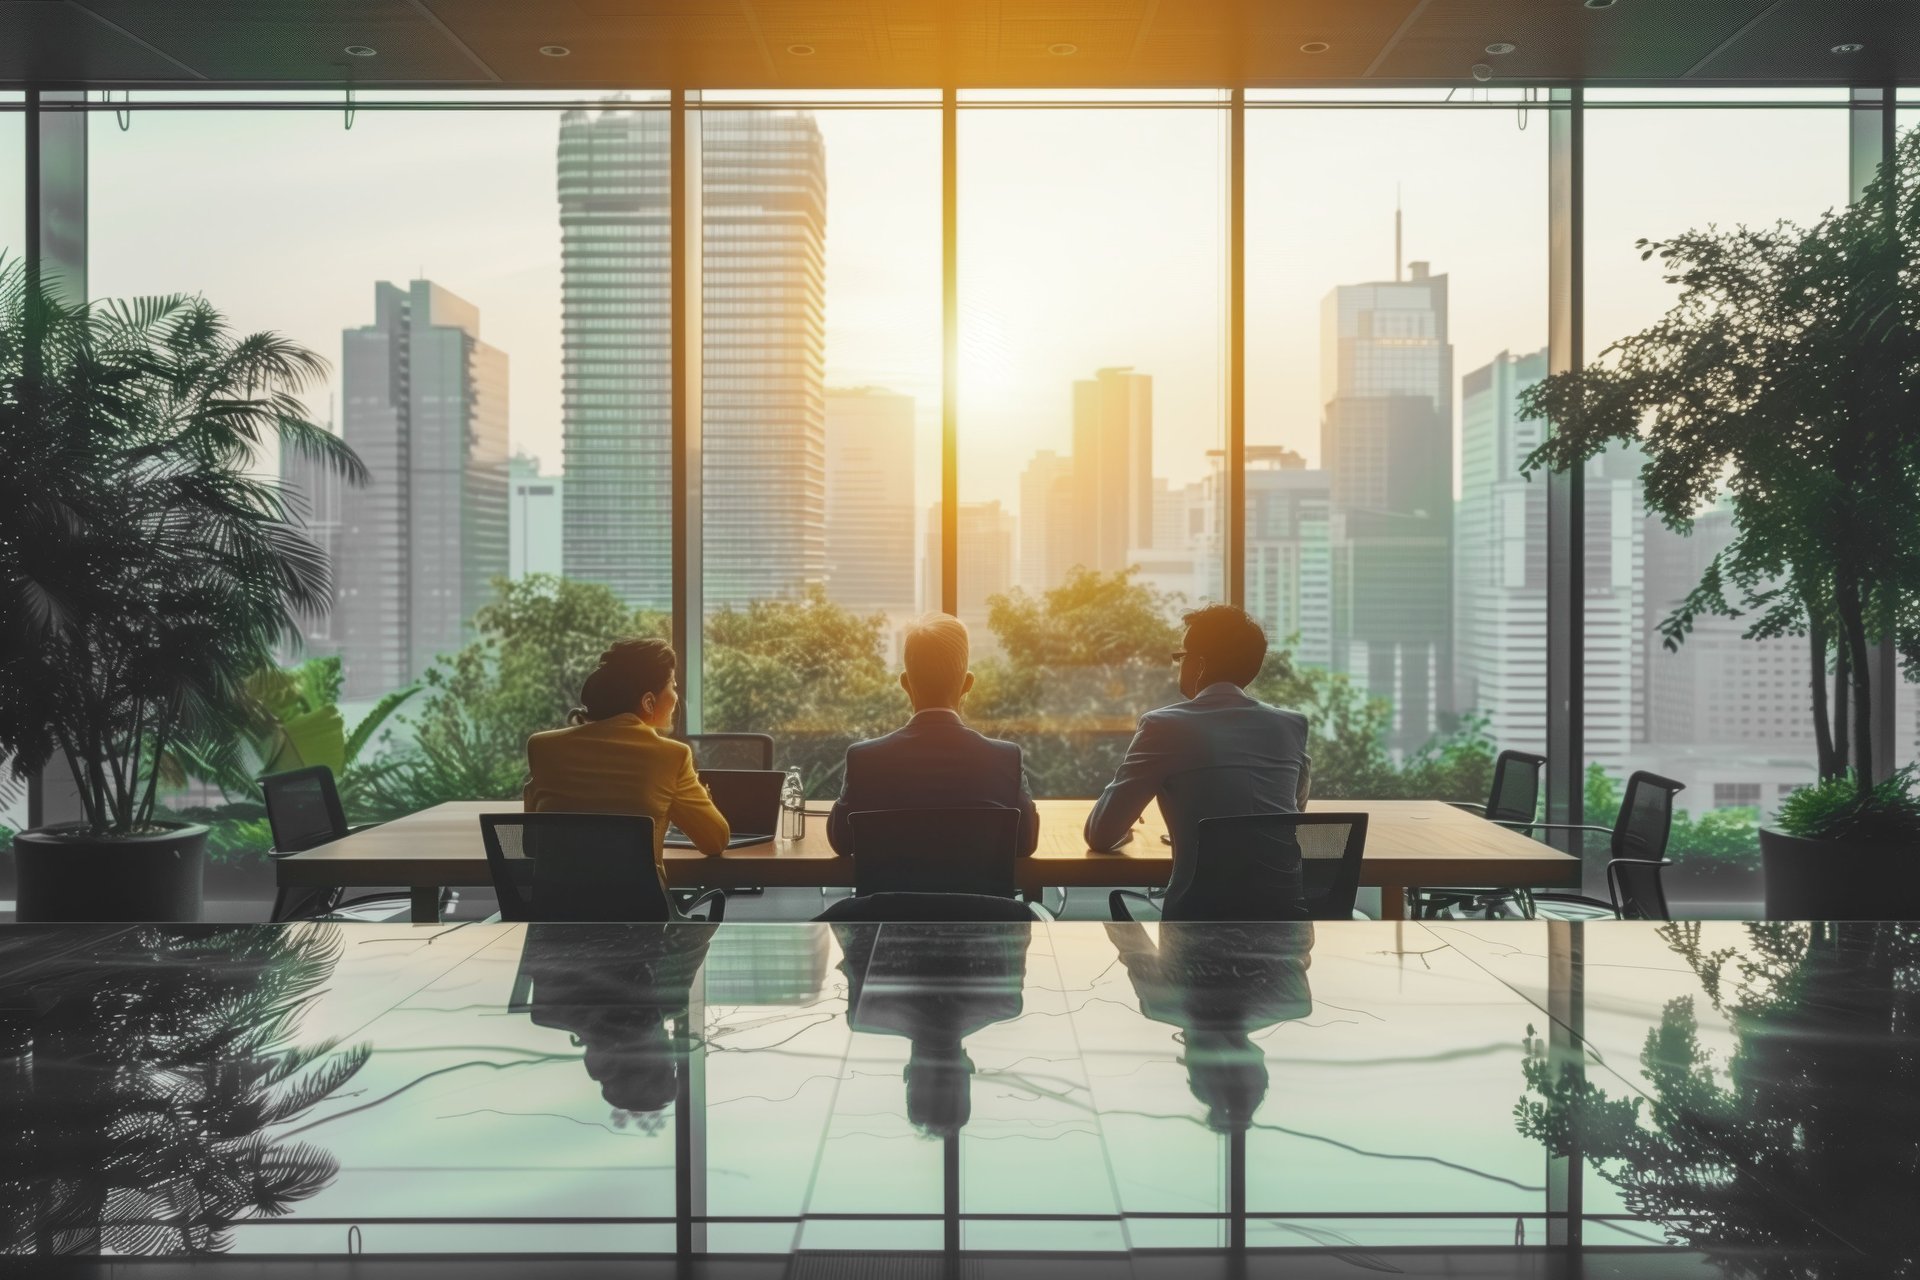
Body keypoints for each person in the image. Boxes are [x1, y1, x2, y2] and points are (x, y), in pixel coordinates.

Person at [1084, 605, 1311, 911]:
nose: (1179, 664)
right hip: (1286, 938)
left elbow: (1100, 834)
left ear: (1200, 664)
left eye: (1181, 656)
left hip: (1196, 937)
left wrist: (1126, 824)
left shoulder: (1163, 726)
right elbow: (1287, 817)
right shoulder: (1290, 726)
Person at [827, 613, 1040, 857]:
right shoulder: (1005, 758)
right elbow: (1026, 842)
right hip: (977, 897)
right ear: (967, 684)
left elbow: (841, 841)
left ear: (905, 684)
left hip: (894, 896)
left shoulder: (864, 759)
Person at [525, 637, 731, 865]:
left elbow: (532, 843)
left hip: (556, 899)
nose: (676, 697)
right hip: (638, 901)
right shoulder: (671, 756)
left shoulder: (542, 747)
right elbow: (716, 840)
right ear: (649, 703)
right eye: (672, 685)